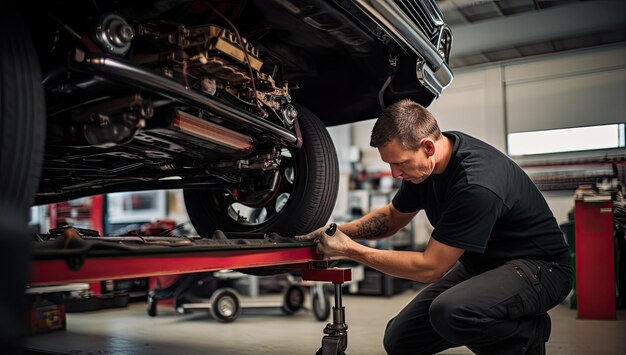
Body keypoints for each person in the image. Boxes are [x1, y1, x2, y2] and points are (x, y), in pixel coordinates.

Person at [296, 99, 571, 355]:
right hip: (485, 266)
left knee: (451, 311)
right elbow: (392, 218)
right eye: (390, 164)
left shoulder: (476, 184)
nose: (395, 174)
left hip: (541, 269)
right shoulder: (425, 168)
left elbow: (431, 268)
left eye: (399, 163)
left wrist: (351, 251)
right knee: (400, 339)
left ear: (428, 146)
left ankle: (528, 334)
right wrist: (338, 231)